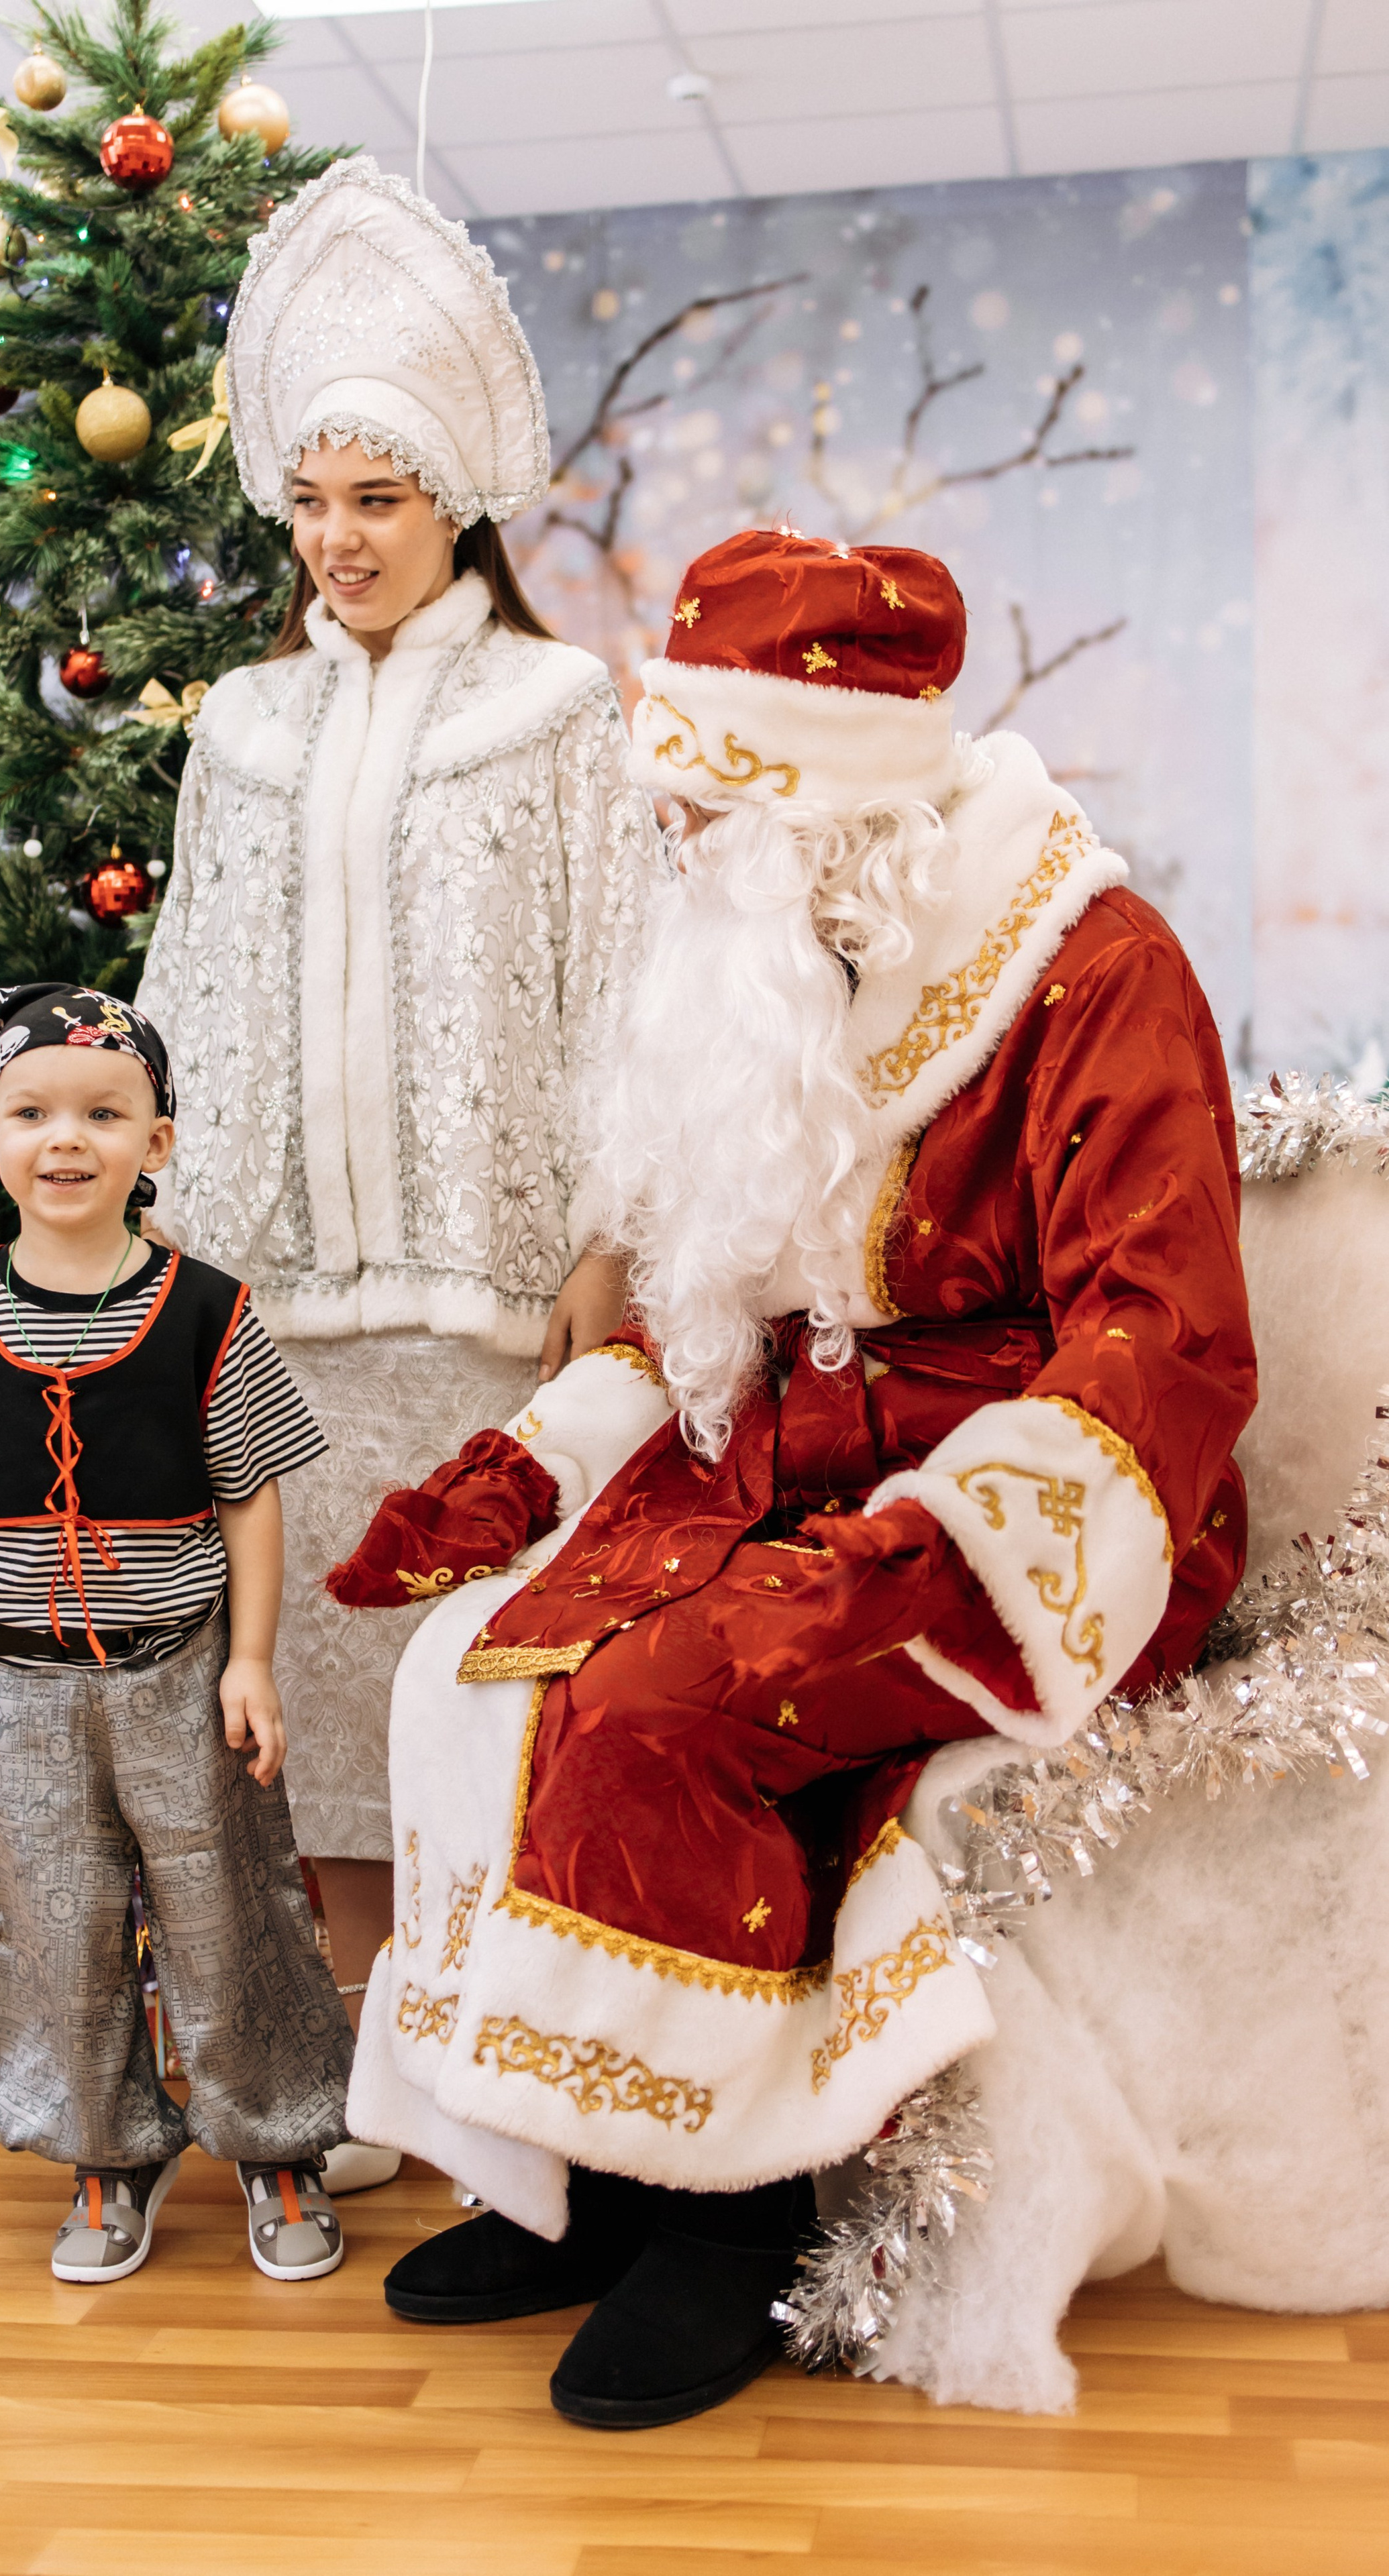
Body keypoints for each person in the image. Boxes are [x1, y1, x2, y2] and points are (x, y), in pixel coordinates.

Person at [333, 531, 1258, 2426]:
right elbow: (711, 1296)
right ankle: (568, 2165)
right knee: (474, 1675)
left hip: (1034, 1505)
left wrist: (918, 1560)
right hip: (772, 1458)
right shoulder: (776, 968)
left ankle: (730, 2219)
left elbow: (1159, 1343)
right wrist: (531, 1467)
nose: (678, 858)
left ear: (827, 810)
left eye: (703, 818)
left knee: (670, 1711)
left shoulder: (1093, 969)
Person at [134, 156, 661, 2173]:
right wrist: (186, 1269)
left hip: (495, 1296)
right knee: (329, 1710)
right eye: (316, 503)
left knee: (483, 1693)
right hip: (283, 1298)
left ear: (457, 503)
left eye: (382, 497)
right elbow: (187, 993)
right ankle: (376, 2078)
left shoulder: (555, 711)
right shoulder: (243, 729)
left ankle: (505, 2074)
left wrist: (606, 1249)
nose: (343, 538)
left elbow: (620, 987)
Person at [0, 982, 356, 2287]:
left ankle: (276, 2142)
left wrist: (249, 1661)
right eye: (30, 1113)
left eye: (101, 1113)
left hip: (179, 1671)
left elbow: (249, 1496)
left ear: (156, 1142)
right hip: (20, 1689)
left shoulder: (206, 1313)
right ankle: (104, 2149)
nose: (64, 1139)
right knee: (55, 1923)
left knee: (226, 1911)